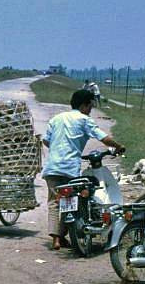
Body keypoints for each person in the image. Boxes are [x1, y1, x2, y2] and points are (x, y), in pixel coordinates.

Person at [42, 89, 124, 250]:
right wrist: (119, 146)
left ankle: (56, 240)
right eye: (90, 106)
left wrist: (58, 148)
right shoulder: (84, 120)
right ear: (84, 105)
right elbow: (103, 137)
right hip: (70, 169)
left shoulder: (56, 118)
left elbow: (46, 141)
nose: (90, 110)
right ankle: (66, 234)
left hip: (52, 167)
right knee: (71, 201)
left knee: (54, 202)